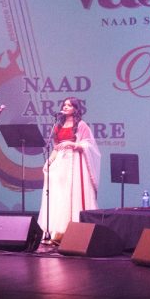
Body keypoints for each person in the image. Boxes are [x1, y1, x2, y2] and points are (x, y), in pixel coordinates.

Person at [37, 97, 101, 242]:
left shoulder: (81, 125)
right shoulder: (58, 125)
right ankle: (55, 232)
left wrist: (72, 144)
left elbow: (89, 145)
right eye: (64, 105)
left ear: (75, 109)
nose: (65, 107)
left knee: (71, 194)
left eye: (69, 105)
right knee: (57, 195)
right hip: (60, 162)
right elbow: (56, 147)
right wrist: (49, 161)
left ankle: (71, 232)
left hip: (74, 163)